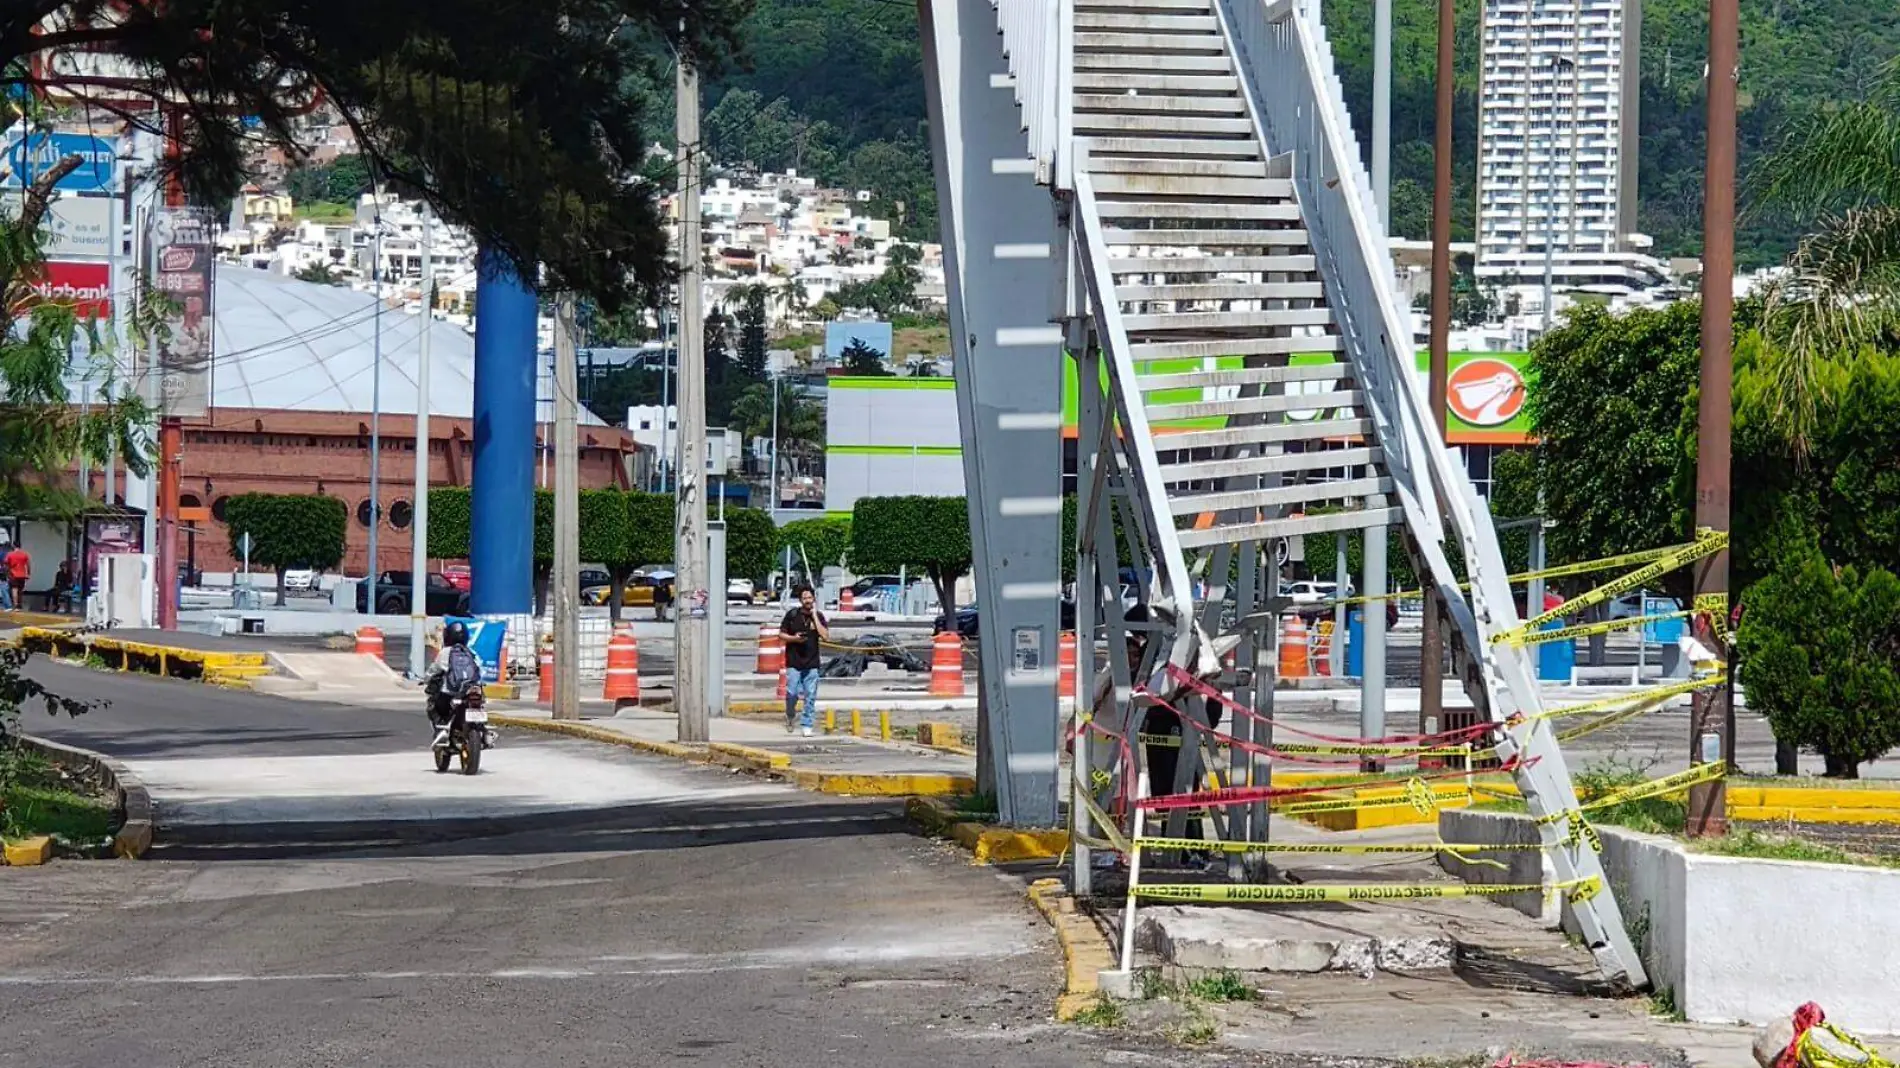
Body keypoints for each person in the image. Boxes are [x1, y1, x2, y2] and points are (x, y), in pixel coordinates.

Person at [780, 584, 828, 736]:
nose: (808, 600)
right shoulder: (792, 615)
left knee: (811, 694)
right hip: (794, 661)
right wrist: (794, 639)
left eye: (810, 597)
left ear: (814, 599)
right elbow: (781, 635)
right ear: (800, 600)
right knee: (792, 692)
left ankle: (807, 724)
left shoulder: (818, 616)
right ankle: (790, 714)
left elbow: (825, 636)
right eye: (804, 598)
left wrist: (814, 617)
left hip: (812, 662)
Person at [4, 543, 28, 612]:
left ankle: (15, 605)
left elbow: (6, 564)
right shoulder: (24, 554)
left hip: (13, 574)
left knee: (14, 589)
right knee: (20, 591)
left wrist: (7, 574)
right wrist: (28, 573)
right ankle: (20, 606)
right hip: (22, 575)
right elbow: (28, 565)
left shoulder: (10, 554)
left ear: (13, 546)